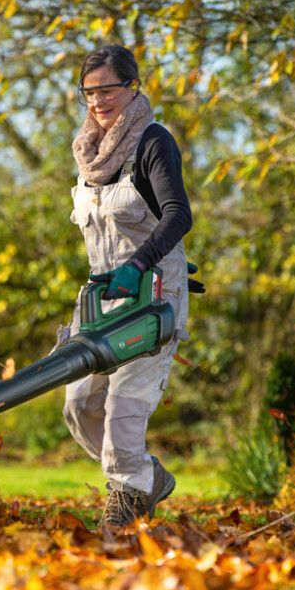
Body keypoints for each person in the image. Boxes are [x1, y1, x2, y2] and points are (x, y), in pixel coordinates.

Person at [62, 44, 193, 528]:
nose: (98, 101)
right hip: (101, 300)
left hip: (151, 292)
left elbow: (179, 214)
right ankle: (143, 477)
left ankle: (122, 510)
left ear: (131, 87)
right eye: (89, 92)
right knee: (79, 406)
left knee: (123, 407)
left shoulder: (153, 141)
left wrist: (140, 263)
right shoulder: (86, 154)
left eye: (108, 89)